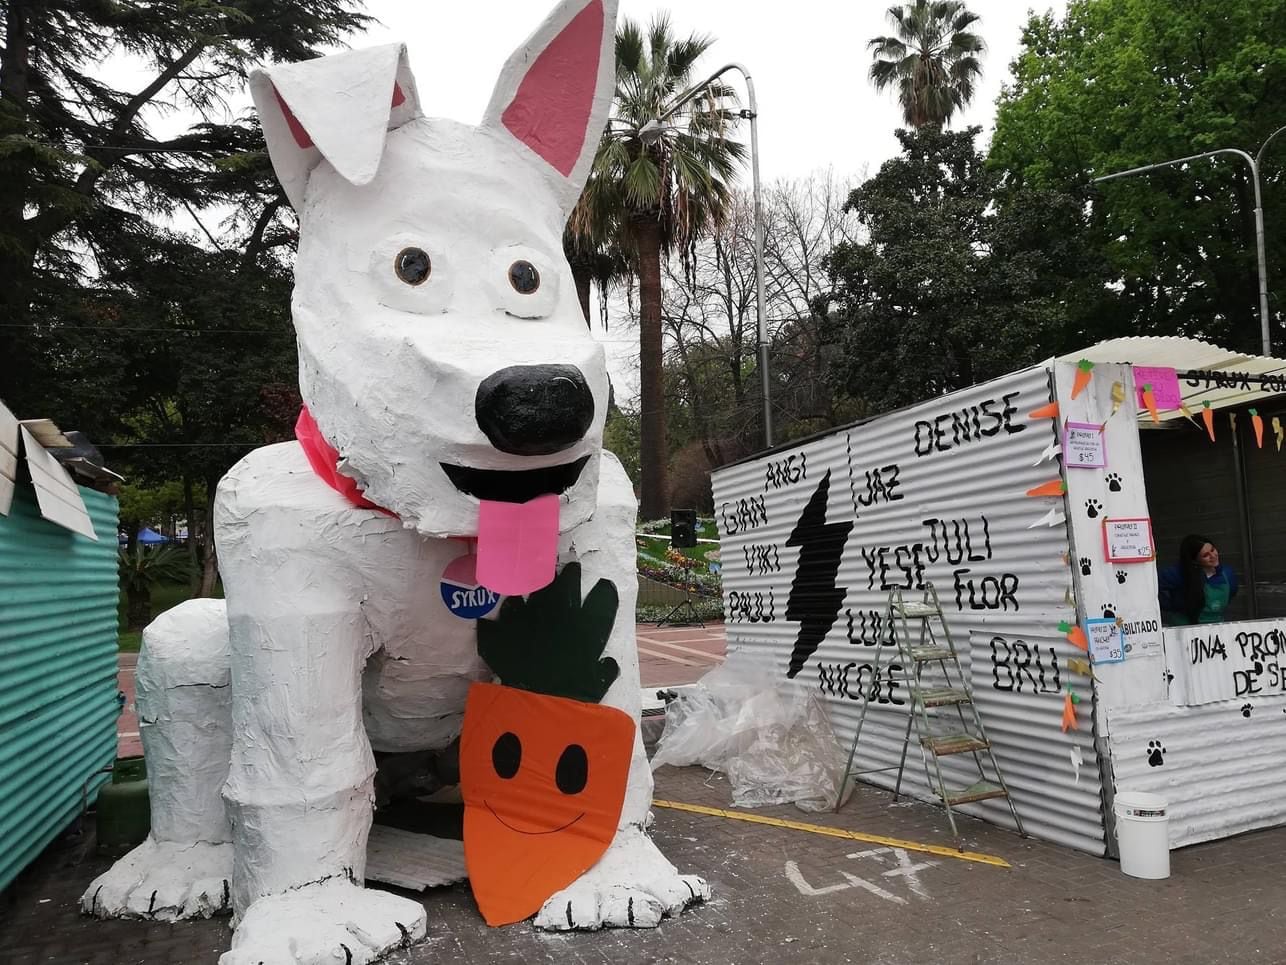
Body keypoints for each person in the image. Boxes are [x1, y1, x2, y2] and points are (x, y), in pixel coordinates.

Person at [1157, 535, 1239, 626]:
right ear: (1195, 560)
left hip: (1216, 628)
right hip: (1184, 630)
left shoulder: (1227, 574)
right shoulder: (1178, 573)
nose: (1213, 556)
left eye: (1212, 550)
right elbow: (1152, 587)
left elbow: (1232, 593)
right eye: (1205, 555)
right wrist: (1172, 605)